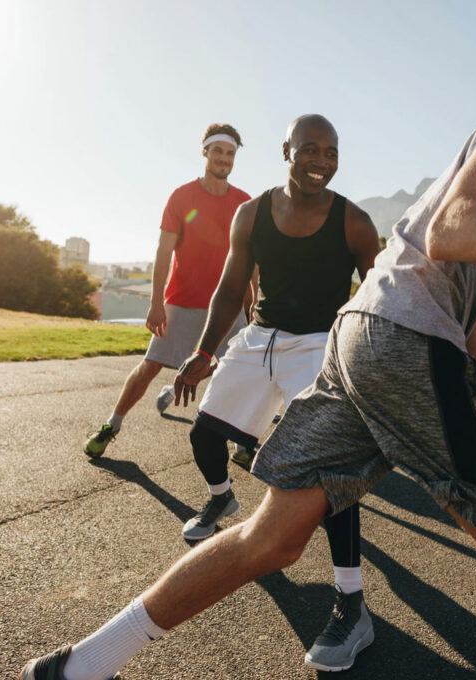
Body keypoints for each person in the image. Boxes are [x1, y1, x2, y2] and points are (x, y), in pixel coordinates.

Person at [22, 37, 476, 680]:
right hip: (406, 345)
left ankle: (80, 665)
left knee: (271, 540)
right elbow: (454, 230)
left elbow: (459, 293)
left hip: (372, 337)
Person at [173, 114, 380, 671]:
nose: (320, 161)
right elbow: (232, 284)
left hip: (318, 344)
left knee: (329, 468)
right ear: (286, 150)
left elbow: (382, 295)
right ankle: (222, 497)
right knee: (205, 437)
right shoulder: (252, 213)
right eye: (309, 149)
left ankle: (352, 603)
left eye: (330, 152)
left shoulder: (354, 223)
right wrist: (206, 350)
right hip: (260, 337)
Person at [82, 125, 251, 459]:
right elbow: (163, 251)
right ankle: (111, 426)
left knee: (239, 368)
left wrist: (254, 300)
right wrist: (156, 301)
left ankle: (240, 440)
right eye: (217, 151)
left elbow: (250, 259)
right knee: (150, 366)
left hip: (228, 304)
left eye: (230, 153)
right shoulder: (182, 197)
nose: (223, 158)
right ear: (205, 152)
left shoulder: (245, 203)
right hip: (182, 301)